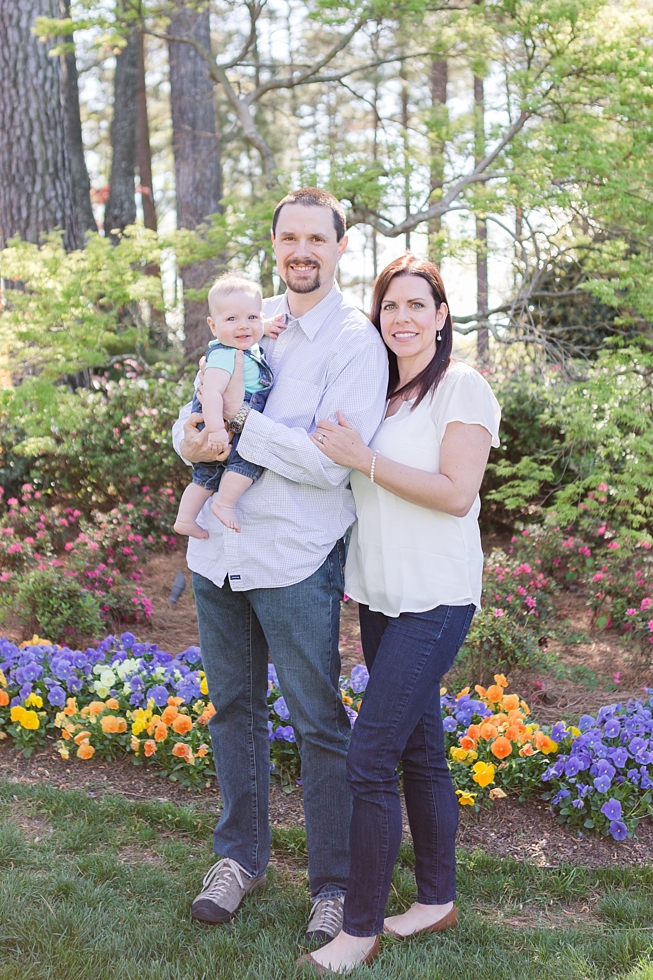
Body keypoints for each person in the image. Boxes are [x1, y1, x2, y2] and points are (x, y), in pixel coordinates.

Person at [171, 188, 388, 941]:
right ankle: (239, 858)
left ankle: (332, 885)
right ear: (274, 245)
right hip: (218, 555)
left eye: (315, 239)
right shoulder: (244, 319)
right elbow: (192, 414)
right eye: (288, 238)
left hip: (295, 558)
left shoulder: (356, 343)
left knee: (318, 721)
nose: (301, 251)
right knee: (233, 709)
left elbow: (331, 466)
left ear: (338, 248)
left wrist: (240, 425)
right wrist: (195, 436)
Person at [300, 254, 501, 973]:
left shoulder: (462, 387)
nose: (403, 318)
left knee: (369, 757)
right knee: (420, 752)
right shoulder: (377, 390)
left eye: (417, 305)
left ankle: (358, 928)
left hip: (436, 598)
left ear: (441, 316)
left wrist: (366, 459)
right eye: (389, 307)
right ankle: (435, 902)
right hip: (380, 598)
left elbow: (456, 493)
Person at [173, 274, 275, 538]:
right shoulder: (222, 355)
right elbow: (213, 395)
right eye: (231, 319)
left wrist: (266, 325)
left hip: (227, 420)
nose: (243, 326)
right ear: (213, 325)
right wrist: (217, 429)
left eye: (252, 318)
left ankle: (185, 518)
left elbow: (252, 327)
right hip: (217, 420)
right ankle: (224, 503)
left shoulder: (243, 345)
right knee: (248, 461)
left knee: (206, 475)